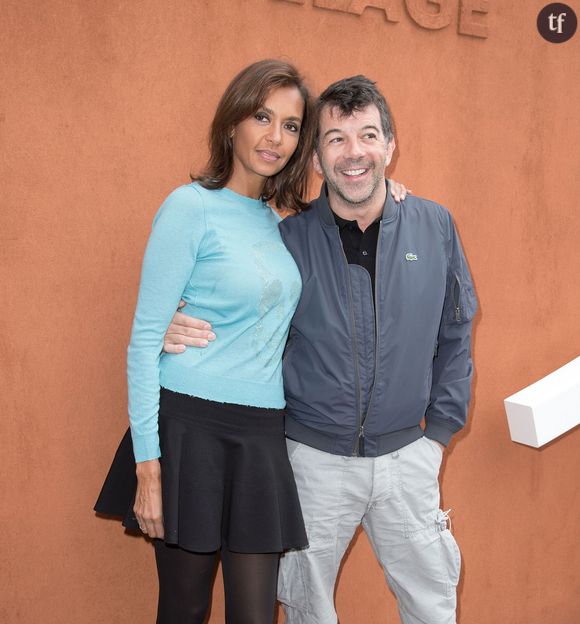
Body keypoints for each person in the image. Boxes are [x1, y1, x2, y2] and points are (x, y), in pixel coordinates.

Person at [95, 61, 408, 624]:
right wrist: (149, 468)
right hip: (189, 426)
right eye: (263, 117)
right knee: (185, 609)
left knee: (258, 614)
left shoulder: (279, 223)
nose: (275, 137)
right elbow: (143, 343)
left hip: (262, 432)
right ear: (232, 122)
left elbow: (355, 205)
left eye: (291, 125)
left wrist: (392, 190)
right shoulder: (189, 207)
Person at [164, 75, 477, 624]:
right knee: (309, 610)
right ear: (315, 156)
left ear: (390, 145)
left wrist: (439, 436)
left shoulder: (435, 226)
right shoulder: (289, 241)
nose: (354, 152)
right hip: (313, 461)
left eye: (368, 135)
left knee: (433, 606)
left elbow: (456, 333)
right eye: (336, 138)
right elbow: (240, 311)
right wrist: (173, 323)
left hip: (409, 458)